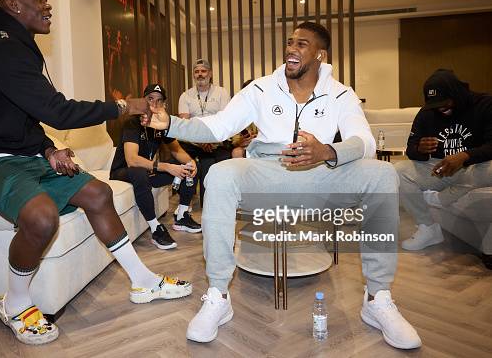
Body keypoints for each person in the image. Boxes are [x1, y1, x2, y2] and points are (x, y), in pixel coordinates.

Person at [0, 0, 191, 346]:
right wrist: (125, 105)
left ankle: (143, 282)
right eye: (40, 0)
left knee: (97, 193)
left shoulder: (18, 48)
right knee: (41, 216)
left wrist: (47, 149)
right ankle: (14, 303)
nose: (49, 7)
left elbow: (25, 119)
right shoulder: (2, 51)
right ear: (13, 5)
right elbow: (57, 111)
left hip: (23, 156)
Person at [147, 22, 422, 349]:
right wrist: (171, 124)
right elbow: (219, 127)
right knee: (220, 174)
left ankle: (377, 297)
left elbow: (364, 141)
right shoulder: (260, 89)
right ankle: (218, 295)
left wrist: (327, 151)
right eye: (290, 43)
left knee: (382, 174)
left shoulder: (340, 94)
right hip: (267, 170)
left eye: (302, 44)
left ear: (320, 54)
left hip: (322, 171)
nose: (292, 49)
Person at [396, 69, 492, 251]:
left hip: (475, 167)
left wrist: (465, 157)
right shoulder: (427, 112)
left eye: (445, 101)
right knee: (399, 171)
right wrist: (419, 149)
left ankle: (441, 199)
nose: (440, 107)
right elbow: (411, 147)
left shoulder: (485, 104)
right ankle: (428, 228)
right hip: (440, 169)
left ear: (457, 93)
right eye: (434, 104)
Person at [110, 84, 201, 250]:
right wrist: (165, 166)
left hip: (148, 171)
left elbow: (177, 149)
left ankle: (181, 216)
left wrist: (191, 163)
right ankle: (155, 228)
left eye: (159, 101)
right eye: (150, 99)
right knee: (139, 172)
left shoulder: (161, 124)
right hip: (123, 171)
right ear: (143, 100)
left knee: (189, 167)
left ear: (163, 105)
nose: (154, 104)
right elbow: (132, 160)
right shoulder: (133, 123)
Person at [178, 59, 232, 202]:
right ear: (193, 75)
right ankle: (185, 202)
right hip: (194, 142)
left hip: (216, 140)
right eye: (196, 71)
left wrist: (210, 140)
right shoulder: (185, 96)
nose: (200, 74)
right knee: (181, 155)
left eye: (203, 71)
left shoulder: (221, 92)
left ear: (210, 73)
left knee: (221, 159)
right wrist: (201, 141)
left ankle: (219, 199)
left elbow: (225, 120)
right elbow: (185, 125)